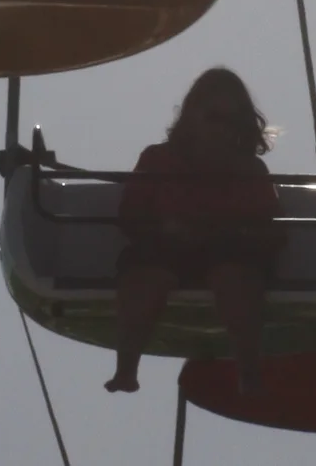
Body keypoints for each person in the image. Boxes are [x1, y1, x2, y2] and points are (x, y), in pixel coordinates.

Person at [104, 67, 280, 397]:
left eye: (230, 121)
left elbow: (268, 225)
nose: (220, 129)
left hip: (227, 252)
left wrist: (229, 231)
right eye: (213, 117)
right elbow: (131, 214)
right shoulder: (158, 160)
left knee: (234, 273)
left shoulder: (249, 170)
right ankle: (126, 368)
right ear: (192, 116)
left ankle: (248, 371)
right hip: (168, 248)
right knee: (147, 270)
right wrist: (165, 228)